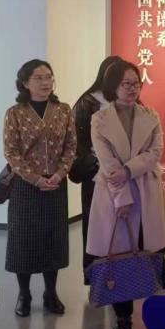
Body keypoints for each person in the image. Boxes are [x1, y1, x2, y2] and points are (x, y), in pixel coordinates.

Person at [85, 60, 165, 329]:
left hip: (146, 192)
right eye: (125, 84)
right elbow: (107, 162)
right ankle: (123, 317)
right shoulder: (99, 119)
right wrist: (122, 196)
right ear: (112, 86)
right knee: (120, 257)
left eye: (136, 83)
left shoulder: (151, 115)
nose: (132, 89)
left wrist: (128, 170)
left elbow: (155, 152)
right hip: (115, 194)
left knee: (156, 254)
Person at [3, 59, 77, 317]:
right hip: (25, 186)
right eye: (39, 78)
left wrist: (59, 174)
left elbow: (71, 147)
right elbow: (11, 152)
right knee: (23, 240)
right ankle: (24, 294)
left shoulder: (64, 110)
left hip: (55, 184)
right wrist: (35, 179)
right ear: (25, 83)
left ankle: (50, 293)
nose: (45, 82)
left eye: (49, 77)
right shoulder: (15, 113)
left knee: (52, 239)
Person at [71, 55, 123, 281]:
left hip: (124, 175)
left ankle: (123, 275)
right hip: (95, 176)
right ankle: (96, 278)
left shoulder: (128, 100)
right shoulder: (88, 102)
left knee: (122, 227)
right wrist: (94, 164)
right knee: (96, 226)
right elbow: (75, 140)